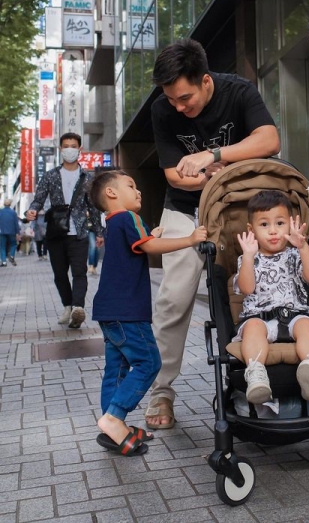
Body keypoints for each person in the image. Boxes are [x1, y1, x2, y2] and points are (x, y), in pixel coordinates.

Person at [147, 37, 280, 429]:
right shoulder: (162, 110)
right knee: (173, 297)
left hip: (240, 209)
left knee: (245, 293)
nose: (178, 107)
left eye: (184, 97)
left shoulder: (238, 91)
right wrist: (208, 177)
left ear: (205, 81)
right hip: (185, 212)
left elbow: (270, 140)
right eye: (171, 99)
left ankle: (249, 377)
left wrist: (216, 155)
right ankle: (162, 391)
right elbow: (174, 175)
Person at [88, 169, 207, 456]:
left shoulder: (113, 222)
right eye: (131, 185)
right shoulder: (129, 218)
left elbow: (141, 246)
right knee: (149, 362)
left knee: (116, 369)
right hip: (129, 311)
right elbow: (151, 247)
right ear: (111, 193)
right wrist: (190, 239)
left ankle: (113, 429)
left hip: (108, 310)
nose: (138, 190)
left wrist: (150, 236)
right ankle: (115, 418)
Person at [233, 190, 309, 404]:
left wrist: (303, 247)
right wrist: (248, 256)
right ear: (252, 230)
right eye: (264, 225)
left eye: (280, 223)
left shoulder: (295, 254)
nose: (273, 231)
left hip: (294, 313)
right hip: (259, 316)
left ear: (292, 224)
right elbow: (247, 288)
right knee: (252, 329)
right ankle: (256, 374)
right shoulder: (248, 258)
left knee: (306, 325)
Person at [26, 133, 104, 329]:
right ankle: (67, 306)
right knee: (60, 274)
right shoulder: (50, 175)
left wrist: (99, 231)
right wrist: (32, 210)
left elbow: (93, 207)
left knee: (79, 273)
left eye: (73, 146)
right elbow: (39, 198)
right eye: (66, 146)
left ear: (79, 149)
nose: (70, 149)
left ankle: (78, 308)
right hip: (56, 232)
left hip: (79, 233)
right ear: (61, 149)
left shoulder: (87, 177)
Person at [0, 199, 20, 267]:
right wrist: (17, 232)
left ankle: (4, 262)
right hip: (12, 231)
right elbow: (16, 223)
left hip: (2, 231)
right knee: (13, 244)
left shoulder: (0, 212)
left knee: (2, 246)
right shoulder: (13, 212)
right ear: (10, 204)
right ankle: (11, 255)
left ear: (4, 204)